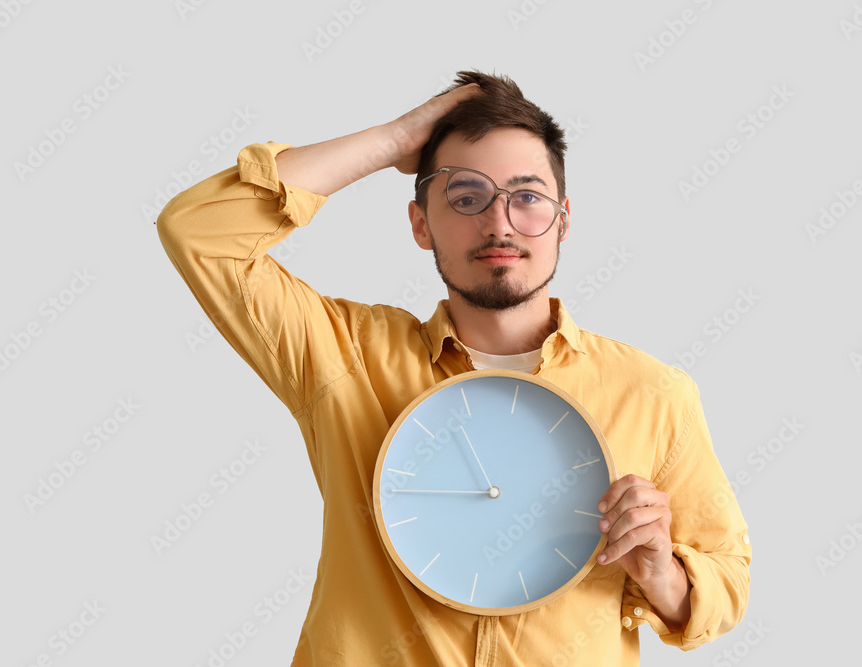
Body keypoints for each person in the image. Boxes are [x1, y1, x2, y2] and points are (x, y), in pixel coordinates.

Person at [157, 70, 751, 666]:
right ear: (420, 223)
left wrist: (660, 573)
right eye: (466, 196)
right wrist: (394, 139)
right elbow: (201, 233)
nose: (499, 224)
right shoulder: (345, 356)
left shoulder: (652, 393)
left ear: (563, 220)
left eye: (527, 197)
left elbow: (728, 584)